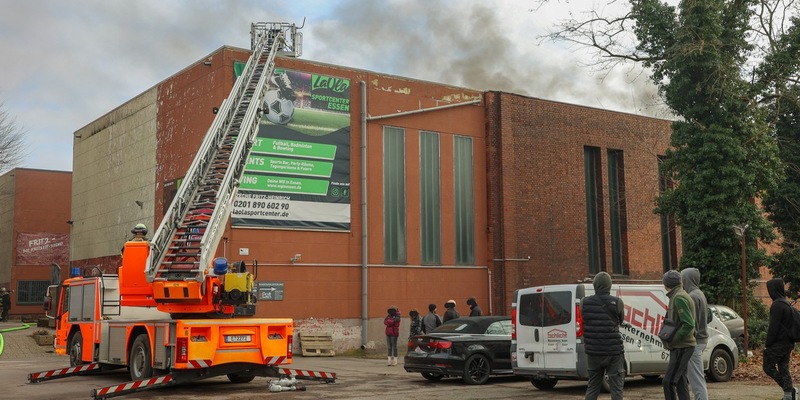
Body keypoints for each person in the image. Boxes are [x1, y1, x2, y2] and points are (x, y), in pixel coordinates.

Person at [580, 271, 625, 400]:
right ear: (609, 286)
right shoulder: (617, 302)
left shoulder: (584, 302)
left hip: (593, 351)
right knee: (616, 388)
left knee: (593, 387)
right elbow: (620, 321)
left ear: (595, 285)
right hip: (613, 351)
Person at [662, 270, 696, 400]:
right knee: (680, 381)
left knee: (668, 382)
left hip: (682, 346)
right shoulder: (679, 296)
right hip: (682, 345)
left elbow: (689, 324)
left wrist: (674, 340)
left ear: (667, 284)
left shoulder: (679, 298)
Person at [764, 278, 797, 400]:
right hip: (788, 342)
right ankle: (788, 396)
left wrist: (767, 344)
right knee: (783, 368)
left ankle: (789, 389)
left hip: (779, 343)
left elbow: (773, 327)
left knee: (767, 366)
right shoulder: (785, 303)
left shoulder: (777, 305)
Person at [681, 268, 708, 400]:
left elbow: (692, 323)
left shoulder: (692, 296)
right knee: (696, 377)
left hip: (695, 341)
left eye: (683, 279)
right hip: (701, 339)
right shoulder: (700, 294)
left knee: (696, 379)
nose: (682, 282)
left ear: (688, 279)